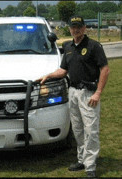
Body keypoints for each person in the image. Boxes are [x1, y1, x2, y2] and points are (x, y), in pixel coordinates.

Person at [36, 15, 110, 178]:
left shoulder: (94, 46)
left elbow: (105, 69)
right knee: (77, 129)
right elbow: (64, 70)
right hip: (73, 92)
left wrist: (98, 93)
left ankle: (90, 167)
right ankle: (82, 159)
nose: (75, 29)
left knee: (91, 130)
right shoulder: (68, 46)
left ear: (84, 28)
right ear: (69, 29)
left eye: (78, 27)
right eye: (72, 27)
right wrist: (48, 76)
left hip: (89, 93)